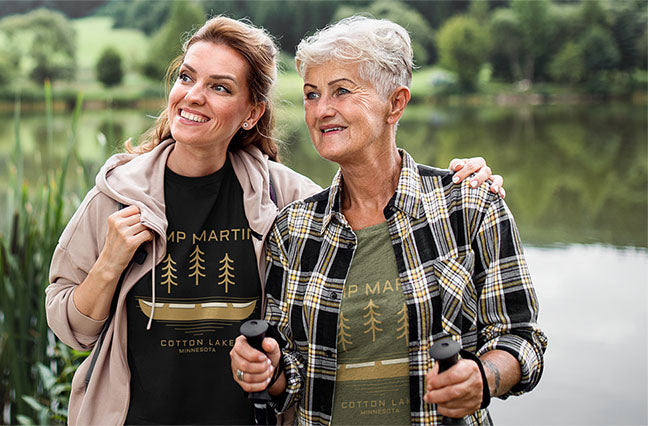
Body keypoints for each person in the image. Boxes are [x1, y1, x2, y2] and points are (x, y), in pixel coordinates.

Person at [46, 16, 504, 425]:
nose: (193, 96)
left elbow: (366, 189)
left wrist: (464, 183)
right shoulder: (117, 195)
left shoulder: (287, 199)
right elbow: (72, 330)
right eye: (187, 77)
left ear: (251, 113)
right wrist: (109, 264)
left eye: (220, 87)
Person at [229, 16, 547, 426]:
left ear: (395, 103)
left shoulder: (470, 205)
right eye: (311, 95)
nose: (322, 110)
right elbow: (289, 373)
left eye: (341, 91)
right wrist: (267, 370)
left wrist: (483, 379)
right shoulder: (293, 229)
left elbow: (522, 338)